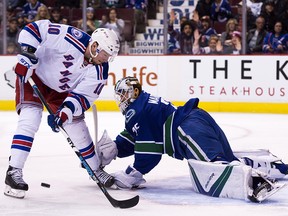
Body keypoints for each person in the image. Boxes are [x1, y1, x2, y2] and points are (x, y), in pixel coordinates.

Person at [95, 76, 288, 202]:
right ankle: (277, 167)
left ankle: (257, 183)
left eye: (121, 94)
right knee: (228, 160)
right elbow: (135, 137)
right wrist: (115, 148)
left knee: (214, 168)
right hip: (195, 119)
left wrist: (131, 174)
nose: (120, 99)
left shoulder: (137, 111)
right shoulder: (143, 105)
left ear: (132, 93)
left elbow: (150, 153)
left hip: (187, 131)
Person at [4, 19, 120, 199]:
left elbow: (83, 97)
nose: (106, 59)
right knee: (30, 119)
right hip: (34, 75)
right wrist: (27, 55)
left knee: (77, 128)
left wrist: (65, 112)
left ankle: (96, 170)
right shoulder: (70, 37)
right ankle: (14, 172)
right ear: (95, 45)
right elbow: (34, 29)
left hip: (62, 92)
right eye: (105, 54)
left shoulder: (100, 69)